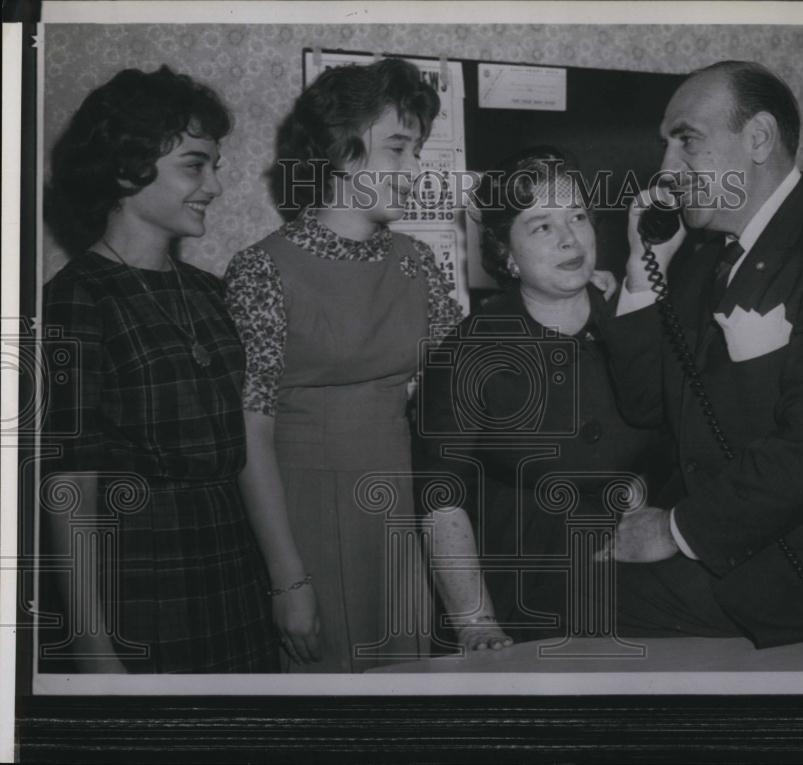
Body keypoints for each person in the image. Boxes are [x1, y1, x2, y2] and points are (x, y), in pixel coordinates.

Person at [223, 58, 465, 673]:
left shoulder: (415, 262)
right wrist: (287, 581)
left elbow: (469, 386)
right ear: (339, 151)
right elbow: (250, 435)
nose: (415, 170)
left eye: (419, 150)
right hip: (300, 518)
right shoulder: (261, 269)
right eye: (398, 148)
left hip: (401, 510)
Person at [599, 60, 803, 647]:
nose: (666, 171)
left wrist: (674, 529)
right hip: (728, 543)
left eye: (687, 141)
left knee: (569, 600)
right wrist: (644, 267)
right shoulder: (701, 255)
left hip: (793, 564)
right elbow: (642, 405)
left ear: (758, 138)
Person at [41, 66, 278, 673]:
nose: (216, 186)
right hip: (142, 576)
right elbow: (70, 487)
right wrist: (95, 649)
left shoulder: (209, 291)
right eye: (196, 165)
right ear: (126, 170)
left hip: (232, 564)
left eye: (215, 165)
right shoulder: (74, 299)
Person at [416, 148, 668, 651]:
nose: (570, 238)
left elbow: (665, 455)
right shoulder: (469, 350)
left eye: (577, 216)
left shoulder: (632, 321)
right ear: (506, 254)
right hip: (517, 594)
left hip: (630, 588)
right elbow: (441, 503)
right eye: (541, 226)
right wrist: (476, 624)